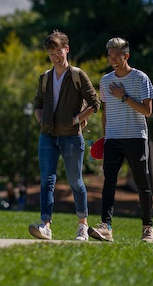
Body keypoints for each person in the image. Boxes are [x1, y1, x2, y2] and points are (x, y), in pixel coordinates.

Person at [28, 30, 100, 241]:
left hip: (71, 137)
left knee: (76, 181)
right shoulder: (45, 77)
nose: (55, 56)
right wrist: (41, 120)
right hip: (47, 136)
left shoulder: (77, 75)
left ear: (66, 50)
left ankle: (82, 226)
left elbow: (95, 103)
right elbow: (38, 104)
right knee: (46, 181)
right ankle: (45, 225)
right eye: (51, 53)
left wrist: (77, 119)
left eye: (58, 51)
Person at [88, 37, 153, 243]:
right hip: (113, 139)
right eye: (110, 56)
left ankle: (148, 228)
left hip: (136, 137)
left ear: (127, 56)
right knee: (109, 183)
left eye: (117, 56)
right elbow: (105, 112)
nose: (113, 60)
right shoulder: (105, 80)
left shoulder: (140, 78)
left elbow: (147, 111)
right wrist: (105, 135)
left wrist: (124, 97)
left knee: (142, 184)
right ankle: (106, 227)